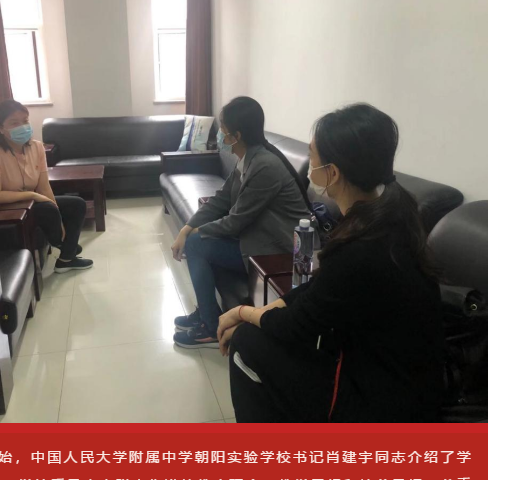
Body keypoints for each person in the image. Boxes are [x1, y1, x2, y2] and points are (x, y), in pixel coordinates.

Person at [217, 103, 445, 423]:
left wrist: (243, 312)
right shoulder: (391, 215)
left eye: (312, 156)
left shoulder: (362, 247)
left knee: (247, 341)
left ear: (333, 173)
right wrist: (273, 305)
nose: (309, 166)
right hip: (398, 373)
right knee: (261, 332)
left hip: (385, 401)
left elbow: (296, 326)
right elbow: (323, 289)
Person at [171, 96, 310, 349]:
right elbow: (221, 199)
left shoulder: (265, 166)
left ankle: (210, 329)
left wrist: (195, 233)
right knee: (194, 239)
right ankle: (206, 313)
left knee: (196, 244)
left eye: (223, 131)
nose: (220, 137)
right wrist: (186, 227)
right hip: (255, 236)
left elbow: (235, 222)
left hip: (276, 250)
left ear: (237, 135)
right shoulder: (247, 158)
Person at [0, 99, 93, 273]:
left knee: (76, 204)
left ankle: (66, 258)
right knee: (46, 208)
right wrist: (33, 195)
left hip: (28, 204)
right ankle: (66, 246)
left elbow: (44, 187)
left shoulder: (37, 147)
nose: (22, 126)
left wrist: (58, 217)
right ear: (0, 128)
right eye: (14, 123)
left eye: (25, 121)